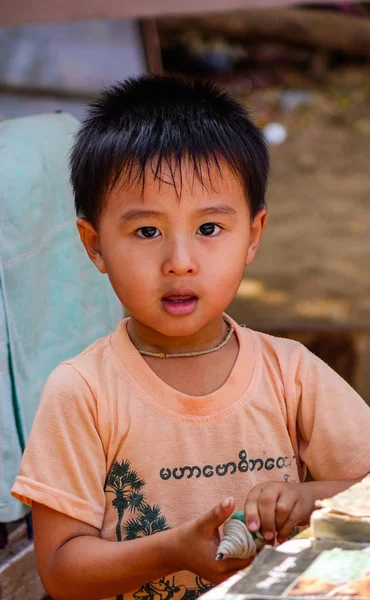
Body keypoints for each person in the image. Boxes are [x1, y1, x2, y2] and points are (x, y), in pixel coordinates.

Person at [11, 75, 370, 600]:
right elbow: (61, 572)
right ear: (94, 245)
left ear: (253, 234)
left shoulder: (291, 373)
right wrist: (170, 550)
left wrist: (311, 498)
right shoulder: (82, 392)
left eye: (209, 229)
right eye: (147, 232)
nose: (180, 263)